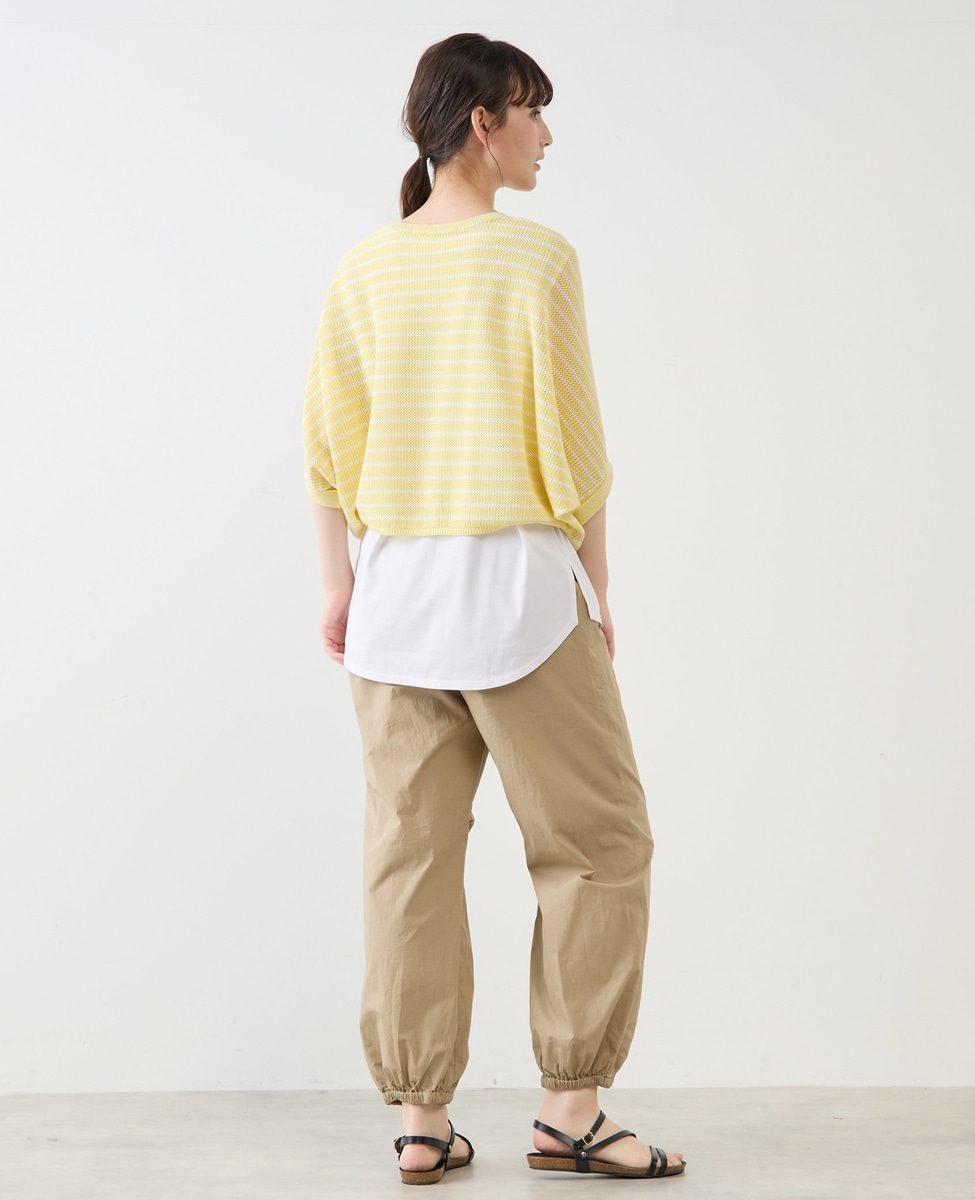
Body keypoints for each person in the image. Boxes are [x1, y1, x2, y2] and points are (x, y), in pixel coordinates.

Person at [302, 31, 686, 1184]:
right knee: (598, 844)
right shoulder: (537, 260)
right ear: (483, 123)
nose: (546, 136)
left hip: (396, 602)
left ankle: (423, 1123)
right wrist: (597, 592)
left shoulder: (365, 266)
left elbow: (326, 450)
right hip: (519, 598)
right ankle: (571, 1110)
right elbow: (576, 453)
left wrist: (340, 586)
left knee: (409, 861)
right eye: (532, 112)